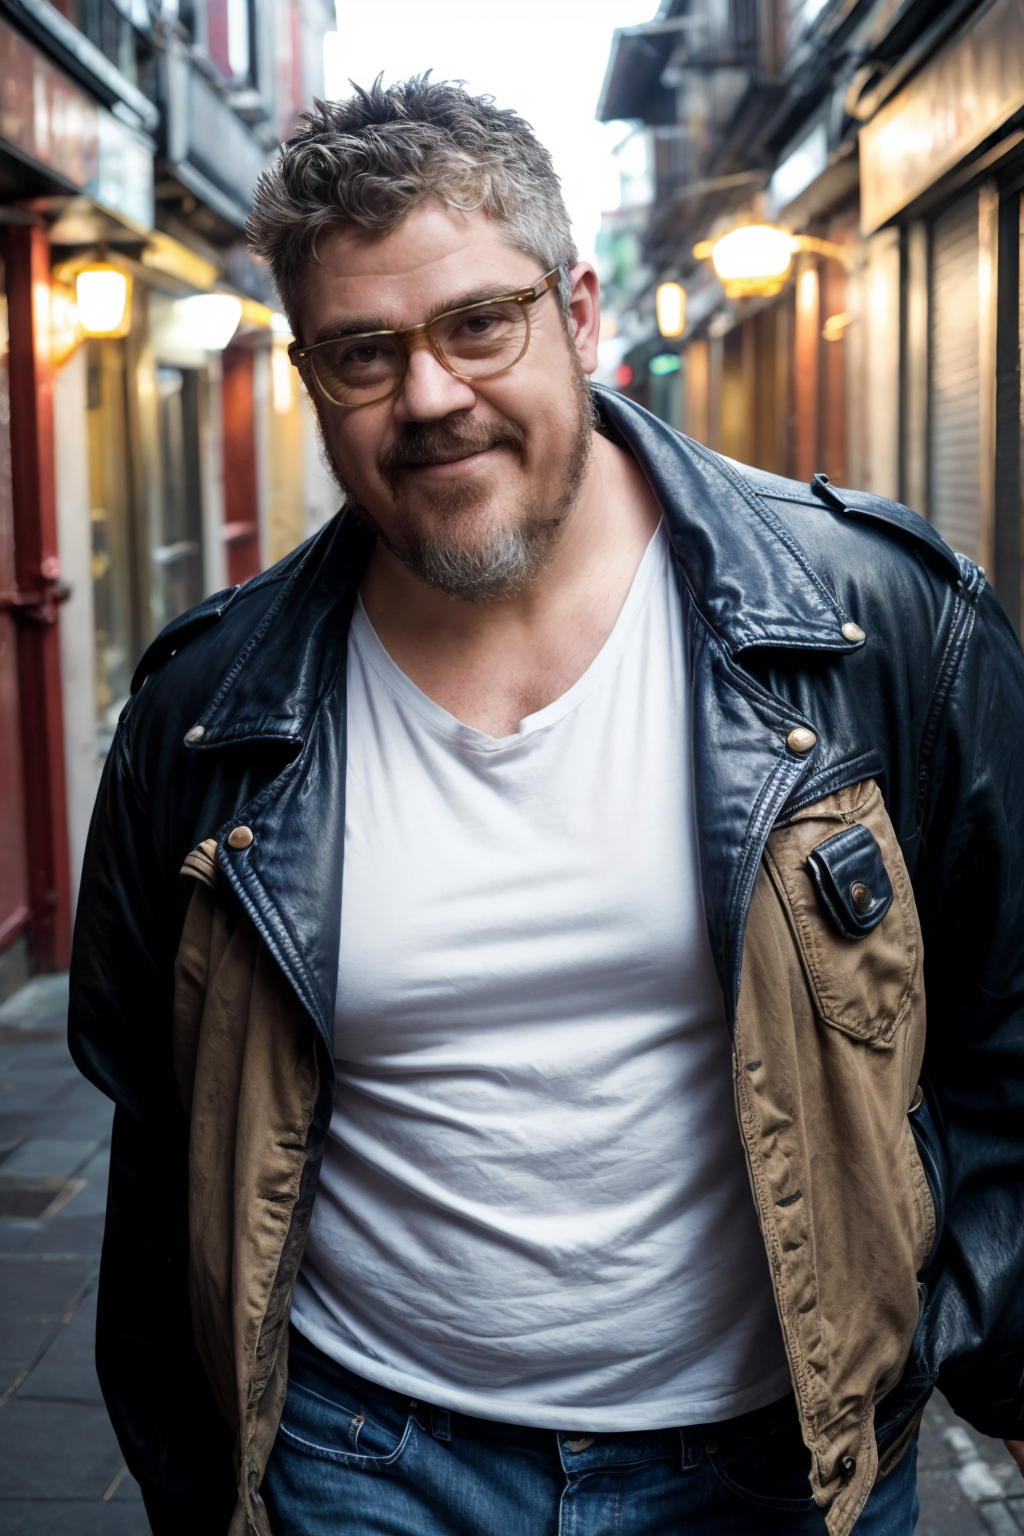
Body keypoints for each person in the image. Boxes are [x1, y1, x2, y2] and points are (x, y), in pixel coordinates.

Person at [69, 76, 1024, 1536]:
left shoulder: (876, 625)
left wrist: (928, 1337)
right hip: (358, 1460)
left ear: (579, 310)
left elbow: (1006, 1037)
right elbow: (161, 1128)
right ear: (309, 370)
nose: (431, 395)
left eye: (477, 324)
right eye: (362, 351)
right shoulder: (208, 712)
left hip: (777, 1464)